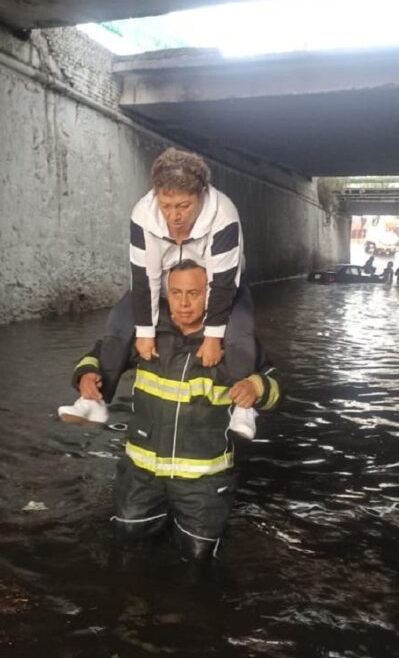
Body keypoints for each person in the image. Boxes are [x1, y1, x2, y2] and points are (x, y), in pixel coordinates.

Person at [59, 261, 281, 561]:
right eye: (176, 293)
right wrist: (86, 376)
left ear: (211, 296)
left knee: (197, 560)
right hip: (141, 477)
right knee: (128, 547)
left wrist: (257, 387)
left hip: (203, 484)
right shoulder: (145, 337)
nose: (184, 303)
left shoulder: (233, 343)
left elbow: (277, 384)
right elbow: (98, 355)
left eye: (193, 293)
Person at [56, 147, 260, 440]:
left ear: (202, 195)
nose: (174, 216)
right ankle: (95, 402)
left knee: (239, 333)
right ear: (156, 197)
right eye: (166, 206)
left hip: (217, 286)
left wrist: (214, 336)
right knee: (118, 324)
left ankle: (243, 410)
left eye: (184, 206)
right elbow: (143, 279)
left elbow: (223, 281)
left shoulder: (224, 213)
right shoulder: (143, 213)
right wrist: (145, 331)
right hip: (165, 286)